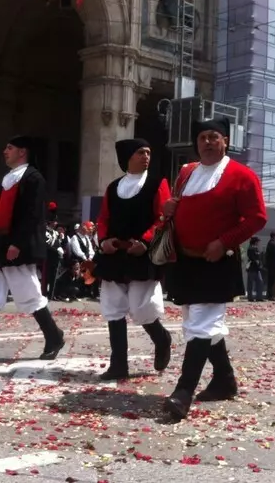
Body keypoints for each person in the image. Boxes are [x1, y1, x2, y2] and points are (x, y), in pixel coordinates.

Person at [162, 116, 267, 421]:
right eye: (202, 138)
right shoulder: (186, 174)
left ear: (226, 142)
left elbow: (257, 217)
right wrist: (169, 208)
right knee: (200, 324)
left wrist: (224, 241)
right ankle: (224, 380)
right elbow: (177, 208)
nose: (207, 142)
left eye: (213, 137)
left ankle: (183, 393)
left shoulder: (241, 176)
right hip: (185, 261)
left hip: (216, 262)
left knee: (201, 324)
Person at [0, 136, 66, 362]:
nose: (5, 151)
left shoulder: (34, 178)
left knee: (29, 294)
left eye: (9, 148)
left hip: (17, 248)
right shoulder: (7, 178)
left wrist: (18, 243)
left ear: (22, 152)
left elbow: (33, 215)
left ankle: (54, 336)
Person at [93, 138, 173, 380]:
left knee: (142, 308)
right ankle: (118, 365)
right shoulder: (112, 187)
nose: (146, 156)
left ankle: (162, 338)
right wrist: (103, 240)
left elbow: (162, 218)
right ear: (127, 157)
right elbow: (103, 219)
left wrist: (146, 242)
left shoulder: (158, 183)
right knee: (113, 308)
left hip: (142, 255)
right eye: (140, 152)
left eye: (148, 152)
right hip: (114, 254)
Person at [246, 237, 265, 302]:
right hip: (252, 268)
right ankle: (250, 297)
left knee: (260, 282)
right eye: (258, 241)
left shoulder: (256, 249)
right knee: (250, 284)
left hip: (257, 269)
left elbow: (258, 257)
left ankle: (259, 297)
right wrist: (256, 261)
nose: (259, 243)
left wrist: (260, 263)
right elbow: (251, 257)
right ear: (255, 242)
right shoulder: (250, 248)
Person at [264, 231, 275, 301]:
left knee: (270, 281)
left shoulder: (269, 243)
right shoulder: (273, 244)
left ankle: (269, 295)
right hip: (273, 265)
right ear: (274, 236)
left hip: (270, 265)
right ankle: (270, 296)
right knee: (272, 281)